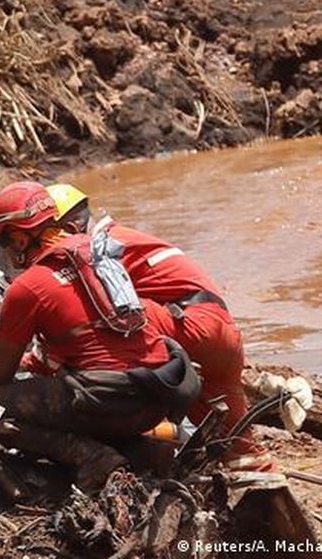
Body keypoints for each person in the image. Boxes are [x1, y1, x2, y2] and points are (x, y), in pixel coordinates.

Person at [0, 182, 199, 488]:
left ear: (19, 238)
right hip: (159, 395)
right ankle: (146, 452)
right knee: (61, 397)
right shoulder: (99, 254)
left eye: (6, 243)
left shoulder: (28, 287)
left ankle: (93, 458)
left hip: (110, 400)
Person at [47, 183, 275, 471]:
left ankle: (148, 435)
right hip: (219, 334)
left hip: (189, 327)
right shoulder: (120, 237)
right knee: (240, 450)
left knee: (96, 331)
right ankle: (266, 489)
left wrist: (45, 360)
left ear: (66, 228)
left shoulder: (98, 251)